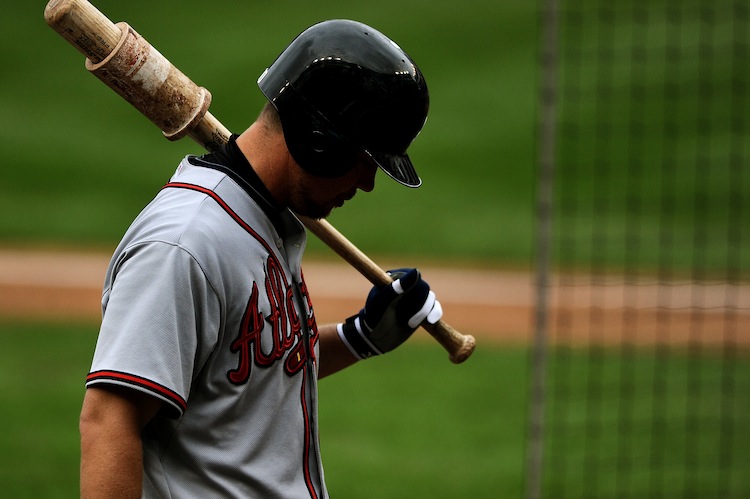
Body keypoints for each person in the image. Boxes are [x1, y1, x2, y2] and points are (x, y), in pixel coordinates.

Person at [79, 19, 443, 498]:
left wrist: (360, 338)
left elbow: (246, 378)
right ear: (321, 138)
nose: (369, 183)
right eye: (364, 161)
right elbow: (109, 421)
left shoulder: (263, 218)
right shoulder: (184, 244)